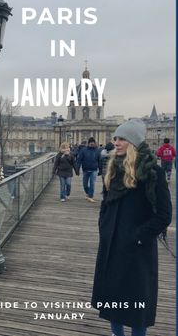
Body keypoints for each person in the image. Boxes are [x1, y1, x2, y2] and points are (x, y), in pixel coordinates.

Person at [91, 119, 172, 336]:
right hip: (111, 245)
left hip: (136, 249)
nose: (116, 142)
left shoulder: (152, 173)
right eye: (115, 138)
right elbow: (105, 204)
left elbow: (164, 215)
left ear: (133, 143)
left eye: (122, 139)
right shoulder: (113, 169)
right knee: (112, 301)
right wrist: (104, 227)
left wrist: (137, 237)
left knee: (137, 305)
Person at [77, 137, 101, 203]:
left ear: (94, 143)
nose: (92, 144)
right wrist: (77, 169)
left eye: (93, 143)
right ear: (88, 143)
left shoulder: (97, 150)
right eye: (91, 143)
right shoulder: (83, 150)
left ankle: (90, 196)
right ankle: (88, 193)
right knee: (85, 184)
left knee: (92, 183)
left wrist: (100, 170)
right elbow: (79, 160)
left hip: (94, 170)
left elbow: (99, 161)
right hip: (85, 169)